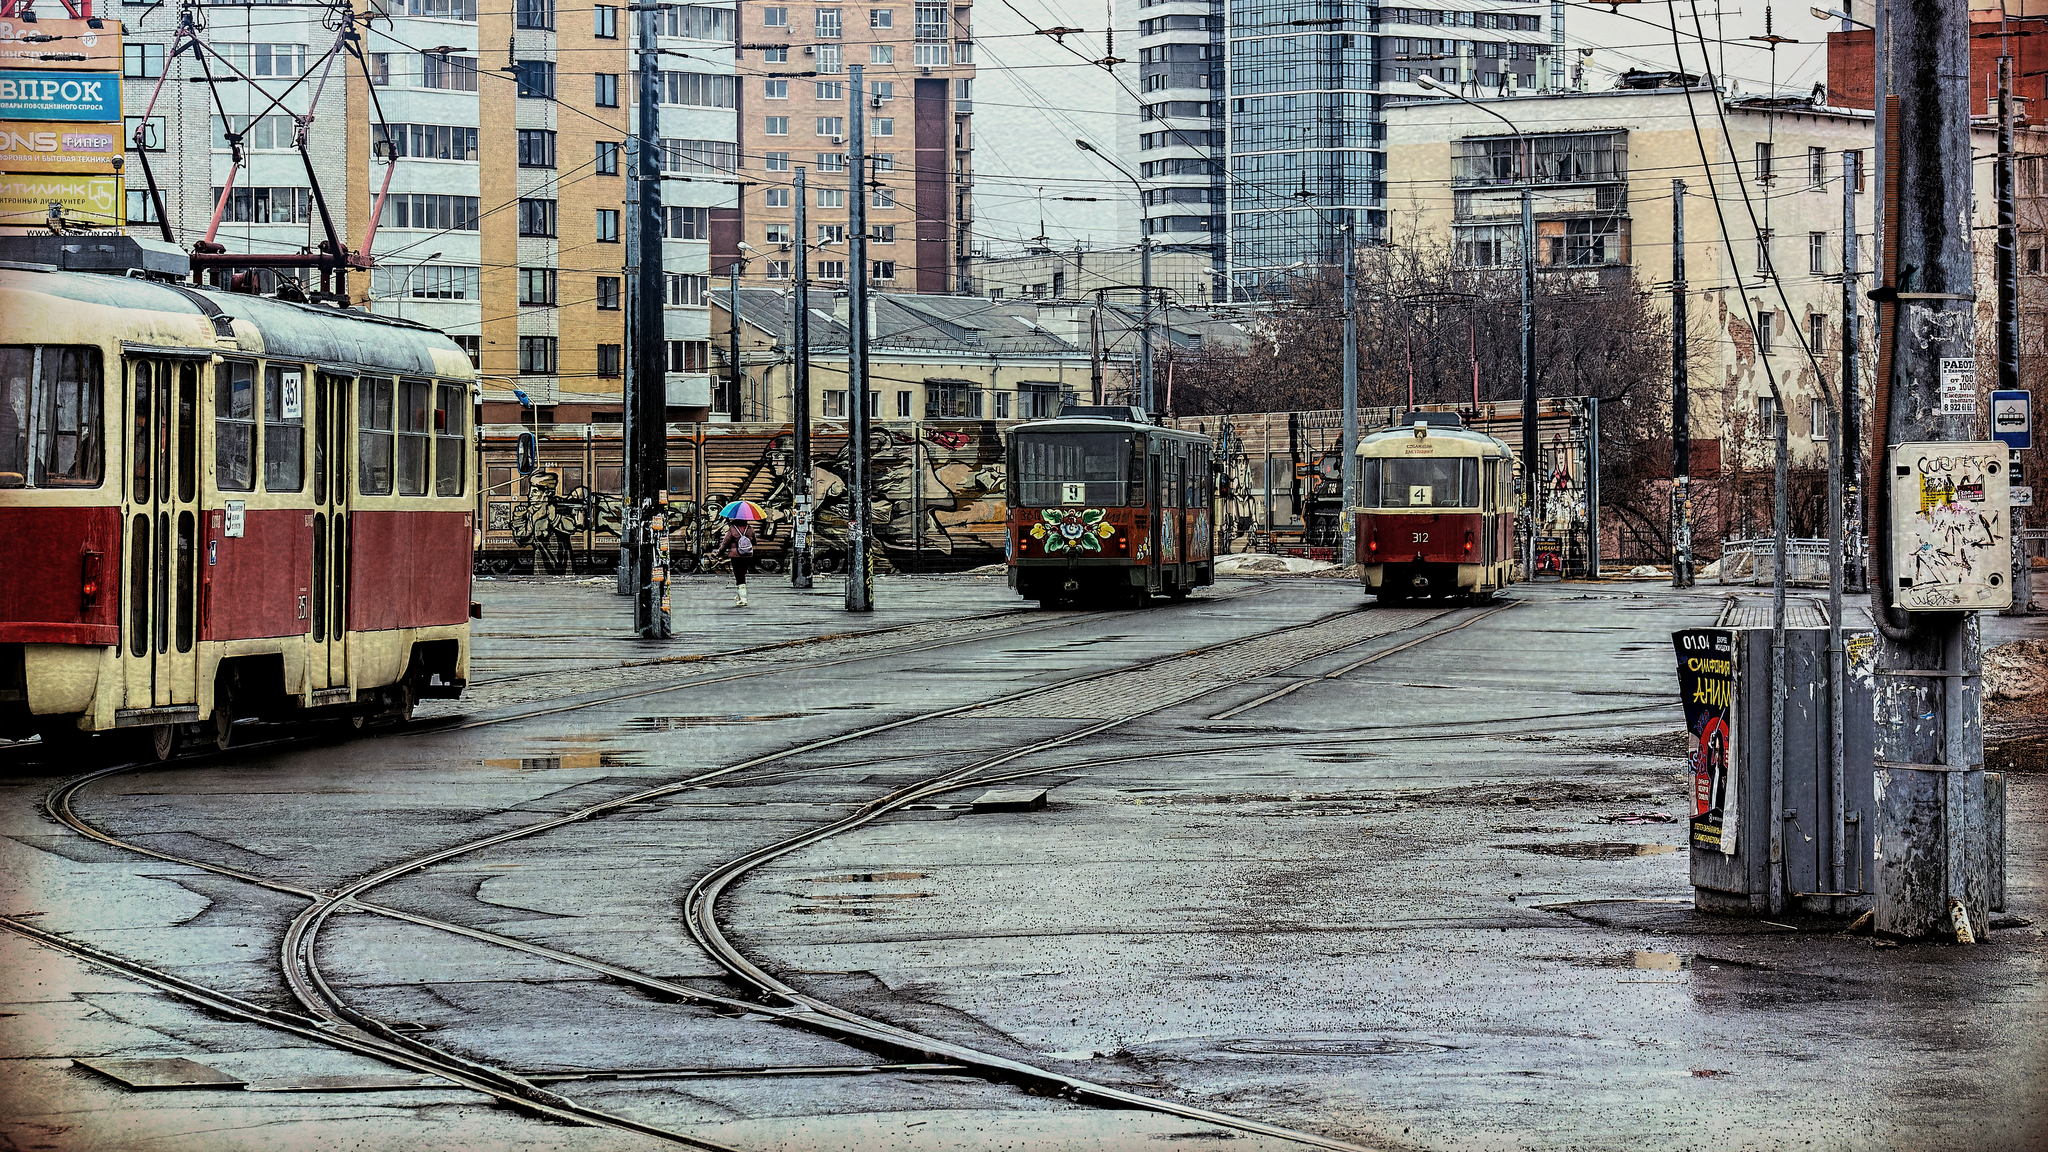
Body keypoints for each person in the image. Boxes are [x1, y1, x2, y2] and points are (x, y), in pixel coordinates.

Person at [721, 519, 757, 606]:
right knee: (742, 573)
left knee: (739, 575)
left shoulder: (732, 529)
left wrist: (720, 552)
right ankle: (740, 596)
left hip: (735, 555)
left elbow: (726, 542)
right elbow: (754, 541)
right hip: (747, 555)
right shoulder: (749, 528)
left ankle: (743, 599)